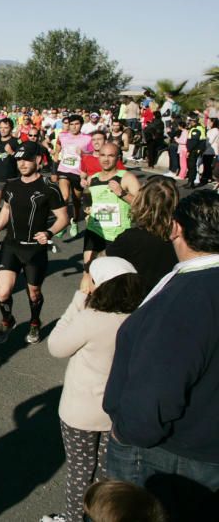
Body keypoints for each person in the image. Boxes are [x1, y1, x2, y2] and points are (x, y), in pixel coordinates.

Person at [103, 191, 219, 521]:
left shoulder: (188, 296)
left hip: (171, 453)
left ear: (176, 229)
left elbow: (157, 385)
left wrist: (126, 432)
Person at [44, 258, 143, 522]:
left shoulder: (90, 318)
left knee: (80, 471)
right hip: (115, 412)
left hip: (80, 413)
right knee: (104, 473)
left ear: (99, 285)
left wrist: (79, 298)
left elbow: (56, 346)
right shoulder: (139, 319)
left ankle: (74, 517)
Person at [0, 141, 70, 344]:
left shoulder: (49, 188)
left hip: (34, 249)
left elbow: (63, 218)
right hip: (11, 245)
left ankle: (34, 322)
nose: (22, 164)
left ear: (38, 160)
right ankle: (7, 320)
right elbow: (6, 210)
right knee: (3, 292)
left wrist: (49, 233)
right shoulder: (11, 184)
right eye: (19, 160)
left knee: (34, 293)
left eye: (27, 159)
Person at [79, 142, 141, 289]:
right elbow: (87, 201)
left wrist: (122, 193)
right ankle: (85, 306)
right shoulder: (92, 179)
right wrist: (87, 211)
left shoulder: (126, 178)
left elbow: (142, 206)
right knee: (88, 271)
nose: (106, 159)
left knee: (115, 279)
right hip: (95, 232)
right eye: (103, 155)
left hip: (118, 235)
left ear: (118, 158)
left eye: (111, 156)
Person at [104, 176, 179, 296]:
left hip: (135, 299)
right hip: (170, 296)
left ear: (142, 202)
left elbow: (105, 261)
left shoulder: (129, 237)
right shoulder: (181, 236)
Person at [53, 114, 93, 238]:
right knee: (64, 197)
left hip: (79, 172)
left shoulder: (87, 138)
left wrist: (84, 153)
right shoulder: (62, 135)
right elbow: (58, 146)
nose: (74, 127)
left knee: (76, 201)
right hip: (64, 170)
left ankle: (74, 221)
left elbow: (92, 153)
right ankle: (63, 223)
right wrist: (56, 154)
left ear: (81, 125)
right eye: (71, 124)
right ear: (68, 125)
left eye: (77, 124)